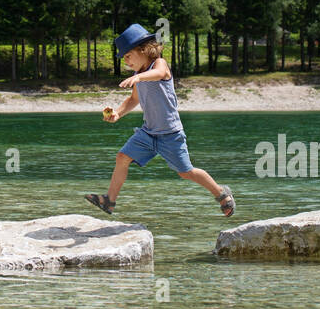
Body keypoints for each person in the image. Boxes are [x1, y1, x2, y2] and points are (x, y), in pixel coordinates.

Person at [86, 23, 235, 217]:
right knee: (122, 157)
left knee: (186, 172)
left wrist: (139, 78)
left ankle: (221, 193)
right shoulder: (137, 75)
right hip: (148, 133)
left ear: (143, 50)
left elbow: (159, 74)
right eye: (124, 58)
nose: (126, 61)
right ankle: (109, 201)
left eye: (128, 56)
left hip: (171, 135)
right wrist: (118, 114)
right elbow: (133, 100)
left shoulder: (159, 64)